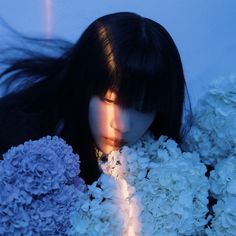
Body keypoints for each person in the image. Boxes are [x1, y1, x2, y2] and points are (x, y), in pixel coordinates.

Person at [0, 12, 191, 184]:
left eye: (143, 108)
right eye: (111, 101)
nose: (122, 126)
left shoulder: (173, 169)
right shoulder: (21, 139)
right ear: (84, 86)